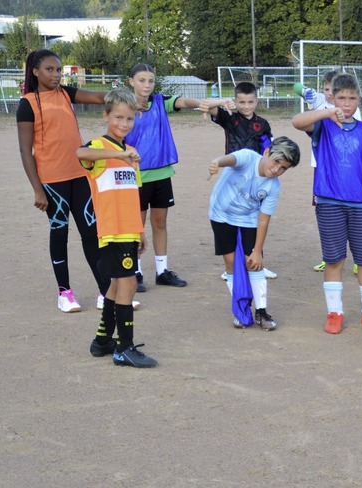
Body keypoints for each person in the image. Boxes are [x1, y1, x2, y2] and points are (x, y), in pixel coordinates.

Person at [16, 49, 111, 313]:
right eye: (50, 69)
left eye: (59, 70)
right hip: (51, 182)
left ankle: (106, 291)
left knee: (91, 233)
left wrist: (126, 97)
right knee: (59, 232)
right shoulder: (28, 104)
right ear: (35, 71)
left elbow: (99, 97)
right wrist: (38, 190)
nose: (56, 75)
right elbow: (25, 151)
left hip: (80, 176)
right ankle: (64, 293)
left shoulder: (66, 93)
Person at [292, 73, 362, 335]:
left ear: (359, 100)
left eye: (352, 98)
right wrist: (324, 113)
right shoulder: (323, 124)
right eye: (341, 97)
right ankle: (335, 312)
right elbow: (296, 121)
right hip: (329, 202)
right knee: (334, 260)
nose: (346, 103)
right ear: (332, 98)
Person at [78, 89, 157, 368]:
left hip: (129, 230)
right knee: (129, 284)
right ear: (106, 116)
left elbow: (133, 195)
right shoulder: (99, 147)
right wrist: (116, 155)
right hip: (111, 230)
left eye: (130, 119)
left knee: (117, 284)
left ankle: (102, 342)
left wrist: (141, 231)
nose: (124, 124)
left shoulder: (131, 153)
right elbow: (80, 152)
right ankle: (124, 347)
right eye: (118, 118)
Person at [126, 64, 208, 292]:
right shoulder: (124, 106)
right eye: (141, 80)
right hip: (136, 176)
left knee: (160, 222)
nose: (146, 85)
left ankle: (162, 271)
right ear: (130, 81)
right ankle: (136, 271)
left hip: (162, 174)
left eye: (150, 81)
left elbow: (183, 102)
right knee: (136, 226)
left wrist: (199, 103)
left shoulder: (161, 102)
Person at [207, 136, 301, 330]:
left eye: (283, 168)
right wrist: (217, 161)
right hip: (221, 214)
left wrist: (257, 251)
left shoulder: (273, 186)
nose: (276, 170)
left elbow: (263, 219)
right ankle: (241, 310)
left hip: (249, 217)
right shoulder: (248, 157)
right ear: (266, 152)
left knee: (254, 263)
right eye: (276, 162)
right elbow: (230, 159)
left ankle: (261, 311)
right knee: (231, 262)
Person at [202, 81, 278, 281]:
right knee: (231, 218)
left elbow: (269, 149)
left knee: (255, 220)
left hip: (257, 176)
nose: (246, 106)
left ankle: (257, 258)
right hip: (234, 176)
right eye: (241, 102)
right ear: (235, 101)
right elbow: (207, 105)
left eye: (250, 102)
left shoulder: (263, 124)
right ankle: (231, 266)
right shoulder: (229, 118)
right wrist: (222, 101)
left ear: (256, 101)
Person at [294, 70, 362, 275]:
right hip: (321, 167)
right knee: (326, 213)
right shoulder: (320, 106)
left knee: (351, 214)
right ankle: (330, 256)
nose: (329, 94)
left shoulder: (352, 112)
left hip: (346, 168)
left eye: (334, 91)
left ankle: (358, 258)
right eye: (326, 90)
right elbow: (296, 91)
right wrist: (305, 92)